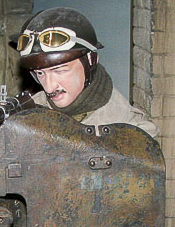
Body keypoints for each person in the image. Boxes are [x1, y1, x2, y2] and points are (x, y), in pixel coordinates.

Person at [15, 7, 158, 137]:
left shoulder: (129, 132)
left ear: (90, 60)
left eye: (60, 71)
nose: (49, 87)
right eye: (40, 73)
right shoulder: (27, 112)